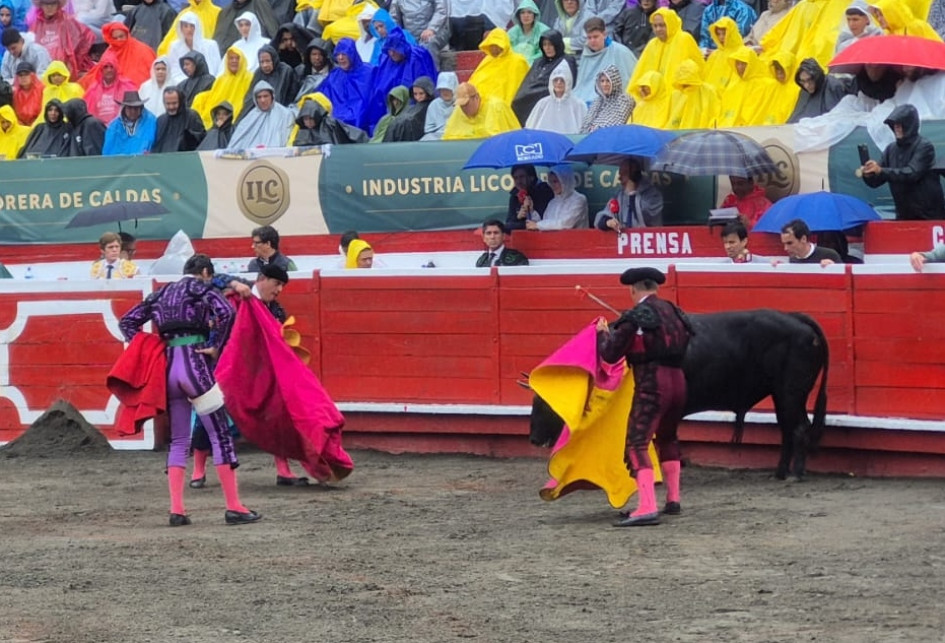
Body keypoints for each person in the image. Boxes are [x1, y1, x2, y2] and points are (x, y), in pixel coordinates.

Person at [118, 253, 261, 526]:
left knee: (179, 439)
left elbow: (127, 322)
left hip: (169, 369)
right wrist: (216, 343)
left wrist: (147, 349)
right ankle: (234, 507)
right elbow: (227, 312)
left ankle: (177, 511)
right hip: (195, 365)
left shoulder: (161, 294)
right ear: (205, 272)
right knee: (219, 435)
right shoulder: (201, 288)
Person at [596, 266, 692, 526]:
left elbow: (610, 354)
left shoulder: (635, 316)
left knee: (637, 442)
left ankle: (647, 506)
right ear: (655, 287)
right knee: (668, 436)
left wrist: (604, 334)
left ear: (633, 289)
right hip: (679, 382)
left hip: (652, 383)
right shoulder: (674, 311)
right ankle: (673, 499)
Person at [862, 104, 945, 221]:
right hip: (904, 214)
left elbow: (911, 173)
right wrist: (868, 173)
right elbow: (876, 181)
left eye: (900, 125)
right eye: (894, 125)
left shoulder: (924, 146)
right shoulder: (890, 149)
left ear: (910, 125)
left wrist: (881, 170)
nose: (897, 128)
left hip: (928, 216)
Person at [510, 30, 577, 126]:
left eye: (550, 44)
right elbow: (528, 82)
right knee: (517, 101)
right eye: (544, 45)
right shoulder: (538, 61)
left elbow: (569, 83)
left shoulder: (567, 60)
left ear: (557, 44)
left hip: (552, 98)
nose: (547, 48)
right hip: (529, 97)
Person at [628, 8, 703, 90]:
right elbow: (641, 72)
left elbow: (698, 70)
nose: (658, 29)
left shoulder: (684, 39)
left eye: (662, 25)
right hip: (653, 95)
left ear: (671, 23)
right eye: (655, 26)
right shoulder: (652, 44)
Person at [571, 17, 637, 105]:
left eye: (595, 37)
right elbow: (581, 84)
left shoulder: (621, 52)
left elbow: (629, 82)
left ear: (604, 34)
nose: (592, 41)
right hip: (584, 100)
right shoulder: (586, 53)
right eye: (589, 38)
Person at [30, 0, 94, 81]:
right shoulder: (37, 24)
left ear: (58, 4)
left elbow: (87, 36)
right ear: (41, 5)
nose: (49, 7)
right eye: (46, 4)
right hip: (44, 70)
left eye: (53, 3)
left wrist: (76, 58)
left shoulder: (67, 20)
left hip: (65, 68)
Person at [594, 157, 663, 230]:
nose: (619, 178)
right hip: (623, 239)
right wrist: (608, 222)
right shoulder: (619, 195)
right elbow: (600, 219)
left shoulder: (653, 195)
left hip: (647, 238)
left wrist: (632, 193)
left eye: (624, 173)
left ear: (634, 175)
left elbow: (646, 217)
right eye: (620, 173)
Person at [467, 28, 530, 106]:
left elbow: (517, 89)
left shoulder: (518, 61)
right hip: (479, 104)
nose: (494, 49)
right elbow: (474, 80)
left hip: (503, 107)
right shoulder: (488, 60)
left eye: (497, 45)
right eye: (491, 45)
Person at [192, 47, 252, 128]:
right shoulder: (221, 78)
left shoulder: (249, 77)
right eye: (231, 58)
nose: (234, 61)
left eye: (237, 58)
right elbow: (214, 95)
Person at [442, 81, 520, 140]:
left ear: (476, 97)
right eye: (462, 106)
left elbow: (506, 138)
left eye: (466, 104)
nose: (464, 108)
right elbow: (448, 137)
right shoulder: (459, 109)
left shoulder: (495, 107)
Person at [227, 81, 295, 148]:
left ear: (272, 96)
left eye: (266, 96)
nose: (262, 100)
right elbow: (237, 141)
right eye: (259, 97)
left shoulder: (285, 115)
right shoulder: (250, 117)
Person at [524, 60, 586, 133]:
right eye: (556, 80)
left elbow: (584, 129)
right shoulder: (543, 103)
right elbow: (530, 126)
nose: (558, 83)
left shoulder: (578, 104)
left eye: (562, 80)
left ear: (568, 82)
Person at [525, 164, 587, 231]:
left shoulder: (579, 199)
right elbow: (544, 223)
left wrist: (537, 225)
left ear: (565, 180)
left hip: (577, 240)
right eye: (550, 182)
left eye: (555, 181)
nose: (552, 185)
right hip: (553, 241)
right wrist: (532, 211)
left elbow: (566, 224)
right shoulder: (553, 202)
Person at [786, 58, 849, 123]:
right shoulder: (804, 91)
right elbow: (796, 116)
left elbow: (839, 118)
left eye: (809, 80)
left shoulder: (833, 86)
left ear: (817, 77)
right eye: (803, 81)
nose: (806, 85)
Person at [82, 51, 137, 124]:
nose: (109, 70)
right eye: (106, 67)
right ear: (101, 70)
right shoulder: (93, 90)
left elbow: (135, 110)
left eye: (112, 67)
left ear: (116, 69)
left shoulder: (127, 86)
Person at [579, 65, 633, 133]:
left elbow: (614, 123)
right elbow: (585, 126)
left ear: (615, 82)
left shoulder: (624, 100)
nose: (605, 84)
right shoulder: (597, 101)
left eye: (608, 81)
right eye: (602, 81)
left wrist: (595, 128)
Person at [102, 91, 158, 156]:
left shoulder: (151, 122)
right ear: (124, 108)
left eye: (136, 108)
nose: (133, 111)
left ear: (141, 107)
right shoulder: (114, 127)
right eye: (129, 108)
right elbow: (108, 153)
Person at [152, 86, 206, 152]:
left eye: (174, 103)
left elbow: (202, 140)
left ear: (181, 101)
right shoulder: (160, 120)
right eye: (168, 104)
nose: (171, 107)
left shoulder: (192, 116)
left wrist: (188, 138)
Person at [506, 164, 555, 231]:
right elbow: (508, 226)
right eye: (515, 178)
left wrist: (530, 210)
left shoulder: (544, 191)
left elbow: (546, 220)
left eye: (521, 177)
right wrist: (518, 218)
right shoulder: (515, 195)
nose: (518, 181)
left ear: (531, 177)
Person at [776, 219, 841, 265]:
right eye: (784, 244)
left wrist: (834, 267)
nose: (786, 248)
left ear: (803, 239)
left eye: (790, 243)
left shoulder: (829, 254)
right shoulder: (793, 259)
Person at [420, 70, 456, 140]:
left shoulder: (460, 104)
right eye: (442, 89)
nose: (445, 92)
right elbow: (429, 129)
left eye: (447, 89)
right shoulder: (434, 104)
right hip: (436, 138)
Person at [12, 61, 43, 125]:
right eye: (20, 75)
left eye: (26, 74)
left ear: (33, 75)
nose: (23, 77)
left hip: (40, 125)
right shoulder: (14, 93)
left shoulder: (42, 90)